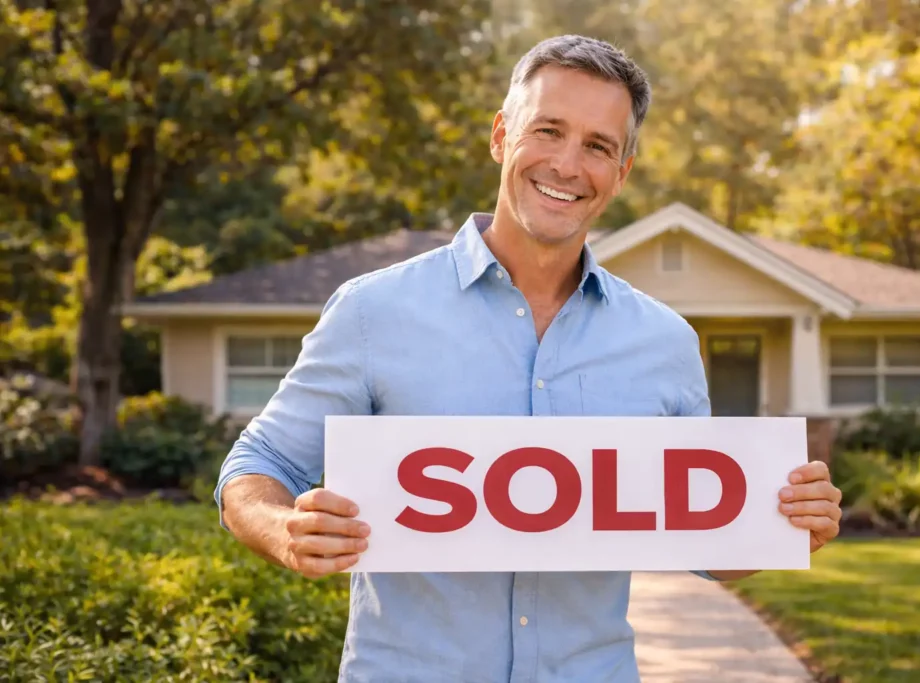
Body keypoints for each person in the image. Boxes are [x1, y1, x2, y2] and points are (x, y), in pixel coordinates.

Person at [216, 34, 843, 683]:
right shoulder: (373, 312)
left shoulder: (666, 344)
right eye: (549, 130)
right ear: (500, 136)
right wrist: (285, 527)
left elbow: (705, 544)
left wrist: (783, 520)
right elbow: (255, 468)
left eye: (598, 146)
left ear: (621, 172)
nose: (568, 165)